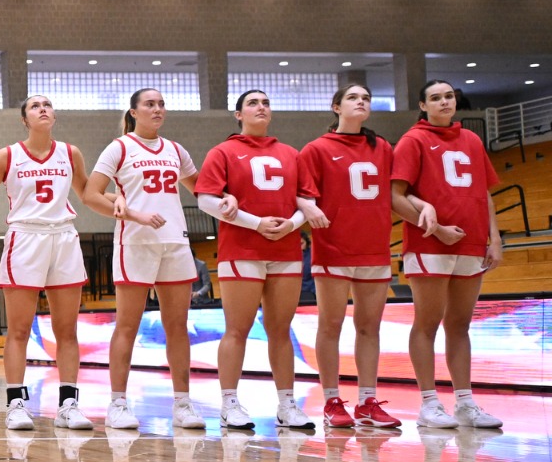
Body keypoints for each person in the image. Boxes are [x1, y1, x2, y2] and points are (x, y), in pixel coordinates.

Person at [83, 87, 204, 431]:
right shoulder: (119, 148)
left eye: (162, 104)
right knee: (128, 326)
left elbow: (201, 190)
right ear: (134, 112)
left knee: (177, 326)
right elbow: (91, 196)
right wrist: (131, 213)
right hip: (134, 244)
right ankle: (118, 403)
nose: (158, 109)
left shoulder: (176, 150)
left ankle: (182, 403)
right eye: (150, 104)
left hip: (175, 242)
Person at [196, 89, 312, 431]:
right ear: (238, 114)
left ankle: (287, 404)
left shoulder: (291, 153)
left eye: (265, 103)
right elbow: (205, 200)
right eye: (252, 103)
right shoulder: (224, 152)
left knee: (280, 330)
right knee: (237, 329)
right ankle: (229, 402)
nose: (260, 108)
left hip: (286, 250)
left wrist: (291, 224)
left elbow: (306, 200)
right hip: (242, 250)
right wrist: (255, 223)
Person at [393, 79, 504, 430]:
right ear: (423, 106)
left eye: (449, 96)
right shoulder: (413, 140)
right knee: (426, 324)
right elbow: (395, 196)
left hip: (471, 244)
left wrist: (495, 237)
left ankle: (465, 403)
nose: (444, 102)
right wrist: (437, 229)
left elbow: (484, 193)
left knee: (460, 325)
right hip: (430, 244)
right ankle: (428, 403)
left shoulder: (471, 140)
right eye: (435, 98)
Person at [298, 83, 402, 430]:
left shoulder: (383, 147)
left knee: (369, 327)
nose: (361, 102)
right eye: (354, 97)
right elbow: (301, 194)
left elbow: (395, 193)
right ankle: (331, 401)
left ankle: (368, 401)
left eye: (366, 98)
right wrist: (308, 208)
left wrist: (424, 212)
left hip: (374, 248)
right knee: (331, 324)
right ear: (336, 107)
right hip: (334, 247)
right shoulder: (316, 149)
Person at [0, 94, 93, 431]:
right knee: (18, 330)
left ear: (54, 115)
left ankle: (69, 404)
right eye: (34, 106)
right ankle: (16, 403)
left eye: (47, 105)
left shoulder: (70, 153)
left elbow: (88, 193)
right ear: (24, 120)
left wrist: (126, 204)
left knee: (67, 331)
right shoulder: (7, 155)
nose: (43, 109)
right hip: (25, 237)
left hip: (63, 235)